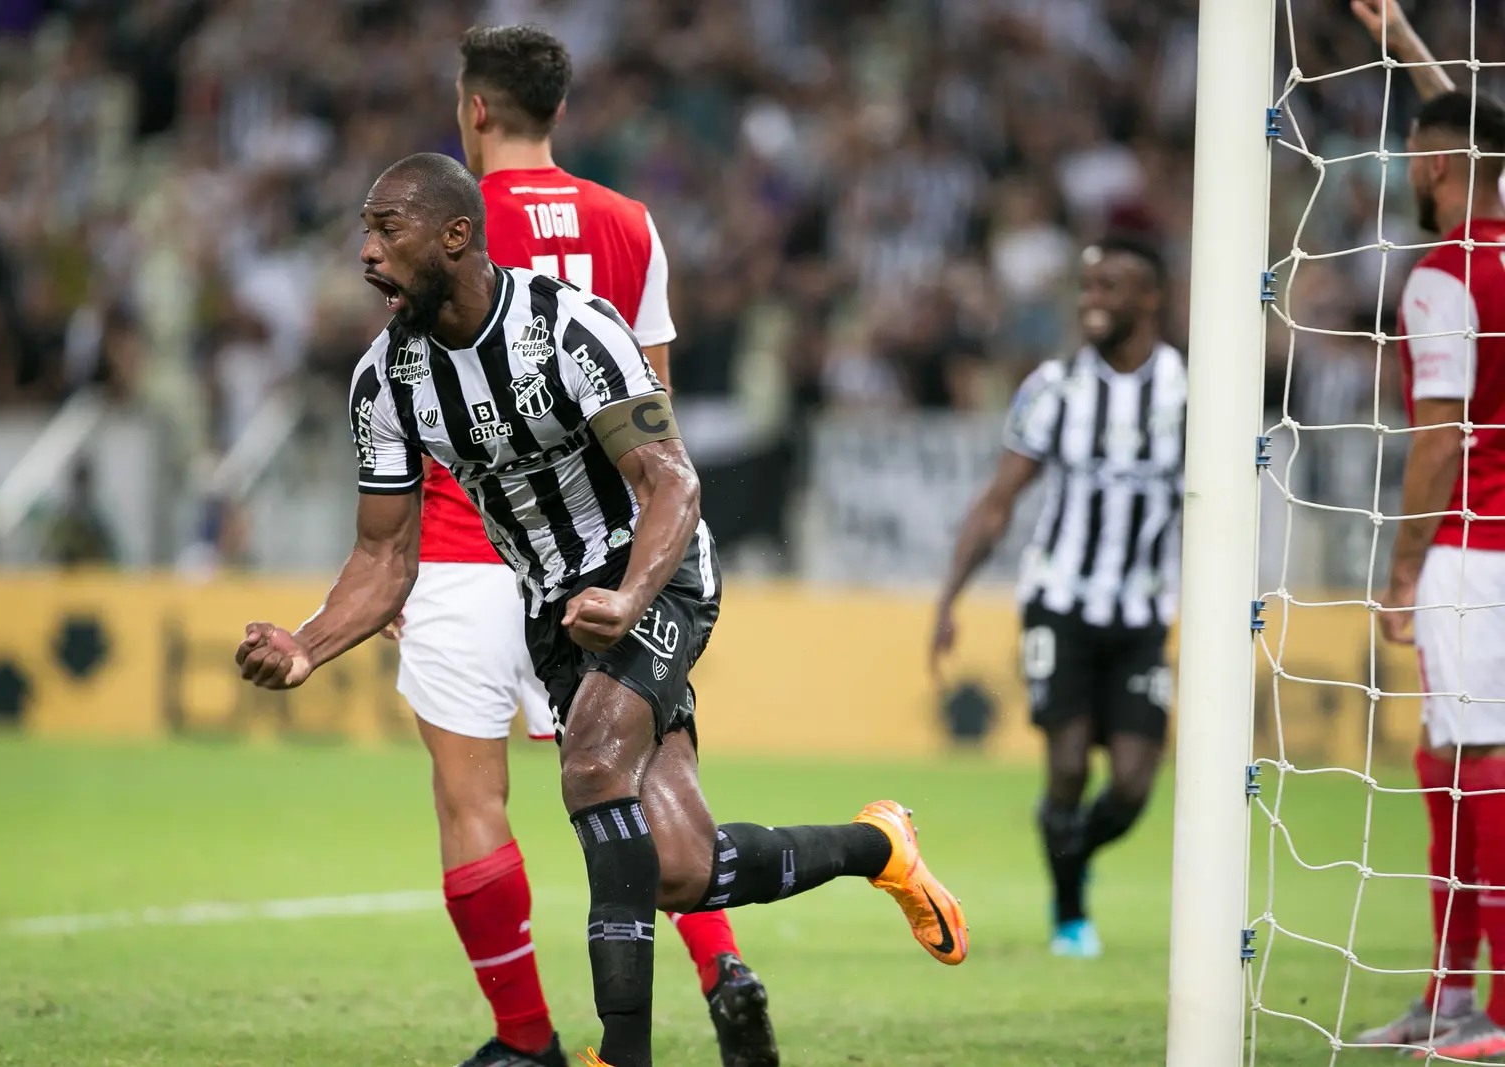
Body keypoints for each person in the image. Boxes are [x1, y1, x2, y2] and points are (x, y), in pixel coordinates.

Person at [235, 152, 968, 1067]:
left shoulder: (570, 331)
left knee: (590, 765)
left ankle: (621, 1055)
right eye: (366, 231)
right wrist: (305, 647)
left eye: (388, 229)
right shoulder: (385, 381)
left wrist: (628, 596)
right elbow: (387, 555)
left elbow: (672, 482)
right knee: (680, 867)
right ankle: (879, 845)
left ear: (456, 236)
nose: (367, 252)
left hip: (656, 575)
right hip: (555, 605)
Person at [378, 26, 774, 1067]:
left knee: (474, 798)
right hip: (604, 552)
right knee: (636, 788)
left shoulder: (444, 223)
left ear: (473, 111)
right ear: (558, 111)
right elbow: (654, 417)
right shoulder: (629, 223)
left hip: (470, 550)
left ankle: (526, 1039)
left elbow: (415, 393)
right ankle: (718, 963)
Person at [930, 235, 1184, 959]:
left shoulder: (1191, 391)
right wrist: (949, 597)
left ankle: (1069, 857)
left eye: (1112, 288)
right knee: (1068, 763)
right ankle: (1070, 911)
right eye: (1088, 286)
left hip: (1140, 612)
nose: (1093, 301)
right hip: (1059, 602)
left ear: (1150, 298)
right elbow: (999, 500)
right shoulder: (1054, 386)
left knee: (1133, 786)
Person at [1348, 87, 1505, 1060]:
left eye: (1412, 155)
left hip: (1474, 546)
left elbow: (1438, 434)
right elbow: (1483, 129)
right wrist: (1405, 40)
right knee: (1444, 754)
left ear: (1434, 165)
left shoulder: (1442, 277)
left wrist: (1401, 568)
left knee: (1481, 759)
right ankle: (1450, 990)